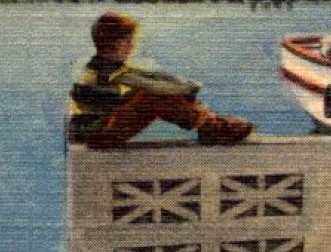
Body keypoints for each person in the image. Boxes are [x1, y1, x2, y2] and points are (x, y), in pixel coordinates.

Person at [68, 11, 253, 149]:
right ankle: (211, 127)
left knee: (158, 93)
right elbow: (150, 86)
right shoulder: (104, 71)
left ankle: (211, 125)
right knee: (153, 97)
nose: (132, 46)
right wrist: (185, 89)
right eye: (128, 41)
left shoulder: (108, 66)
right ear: (112, 43)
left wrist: (181, 87)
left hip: (100, 130)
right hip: (94, 136)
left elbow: (153, 77)